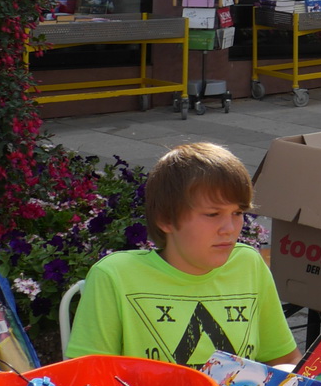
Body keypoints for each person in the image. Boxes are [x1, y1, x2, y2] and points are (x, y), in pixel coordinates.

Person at [67, 144, 297, 368]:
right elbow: (86, 377)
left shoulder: (248, 264)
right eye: (212, 214)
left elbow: (286, 360)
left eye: (237, 212)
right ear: (166, 219)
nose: (229, 228)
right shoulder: (114, 276)